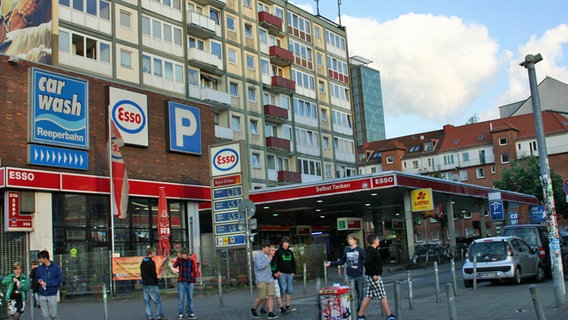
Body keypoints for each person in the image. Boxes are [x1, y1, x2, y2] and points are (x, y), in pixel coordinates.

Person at [357, 234, 396, 320]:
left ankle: (360, 315)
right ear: (374, 241)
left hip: (373, 275)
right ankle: (389, 315)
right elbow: (366, 263)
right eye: (377, 239)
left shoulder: (373, 250)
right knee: (382, 295)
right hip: (374, 277)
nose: (379, 241)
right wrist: (373, 274)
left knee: (369, 295)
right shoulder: (371, 251)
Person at [325, 233, 366, 312]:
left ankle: (360, 311)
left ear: (355, 240)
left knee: (360, 295)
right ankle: (350, 308)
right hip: (350, 276)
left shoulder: (360, 250)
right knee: (349, 294)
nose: (349, 241)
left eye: (351, 239)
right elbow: (342, 261)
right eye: (348, 239)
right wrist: (331, 263)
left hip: (359, 275)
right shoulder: (346, 250)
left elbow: (367, 260)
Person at [250, 240, 278, 319]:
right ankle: (253, 309)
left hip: (269, 279)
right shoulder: (259, 256)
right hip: (261, 279)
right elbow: (259, 267)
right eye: (267, 248)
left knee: (271, 296)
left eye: (269, 248)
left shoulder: (267, 255)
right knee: (262, 297)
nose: (268, 249)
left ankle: (270, 312)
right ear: (263, 248)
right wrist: (269, 259)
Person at [260, 246, 287, 316]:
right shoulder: (266, 259)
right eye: (272, 250)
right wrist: (274, 274)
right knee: (265, 297)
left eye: (274, 250)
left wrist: (278, 272)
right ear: (269, 251)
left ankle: (282, 308)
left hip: (274, 280)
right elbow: (265, 270)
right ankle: (262, 308)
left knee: (278, 294)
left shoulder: (275, 259)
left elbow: (276, 268)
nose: (273, 252)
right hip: (267, 280)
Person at [36, 250, 63, 320]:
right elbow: (37, 277)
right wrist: (39, 280)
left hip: (52, 293)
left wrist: (48, 284)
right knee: (45, 315)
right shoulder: (40, 268)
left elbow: (59, 279)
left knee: (53, 314)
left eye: (40, 258)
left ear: (44, 258)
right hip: (42, 293)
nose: (39, 260)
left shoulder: (55, 267)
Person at [140, 247, 165, 320]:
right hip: (152, 284)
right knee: (157, 301)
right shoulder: (151, 262)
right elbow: (153, 273)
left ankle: (150, 316)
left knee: (147, 302)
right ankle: (159, 315)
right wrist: (156, 281)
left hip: (145, 283)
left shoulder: (143, 262)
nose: (155, 254)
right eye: (154, 253)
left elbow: (142, 273)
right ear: (150, 253)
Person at [173, 247, 197, 319]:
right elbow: (174, 266)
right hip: (182, 282)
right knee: (181, 299)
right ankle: (181, 313)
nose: (182, 255)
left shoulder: (191, 261)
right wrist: (178, 258)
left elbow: (193, 271)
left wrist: (193, 281)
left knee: (190, 298)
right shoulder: (180, 261)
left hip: (189, 282)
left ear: (186, 254)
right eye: (181, 254)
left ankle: (190, 312)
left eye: (183, 254)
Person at [274, 237, 296, 312]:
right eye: (285, 242)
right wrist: (277, 271)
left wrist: (293, 272)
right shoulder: (278, 252)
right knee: (283, 289)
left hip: (290, 274)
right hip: (282, 274)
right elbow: (275, 262)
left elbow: (293, 262)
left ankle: (287, 305)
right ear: (282, 243)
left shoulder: (290, 252)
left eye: (287, 242)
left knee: (289, 290)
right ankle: (280, 304)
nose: (286, 244)